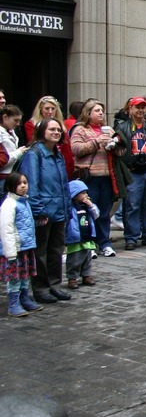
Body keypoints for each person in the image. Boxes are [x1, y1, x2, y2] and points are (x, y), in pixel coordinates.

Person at [20, 118, 72, 303]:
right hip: (44, 211)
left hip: (59, 209)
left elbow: (63, 184)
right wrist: (38, 210)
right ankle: (41, 288)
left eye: (59, 129)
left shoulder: (58, 154)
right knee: (40, 252)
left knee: (56, 250)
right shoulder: (34, 154)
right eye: (52, 129)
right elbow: (31, 184)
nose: (56, 132)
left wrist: (68, 208)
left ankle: (54, 285)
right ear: (42, 131)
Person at [69, 100, 118, 258]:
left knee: (104, 212)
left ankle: (104, 243)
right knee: (88, 211)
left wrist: (115, 145)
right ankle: (89, 243)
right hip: (89, 178)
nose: (101, 113)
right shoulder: (80, 129)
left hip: (107, 176)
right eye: (97, 110)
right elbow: (76, 149)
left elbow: (121, 153)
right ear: (88, 113)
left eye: (102, 110)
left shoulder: (109, 130)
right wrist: (97, 142)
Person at [115, 96, 146, 250]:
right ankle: (131, 237)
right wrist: (126, 163)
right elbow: (117, 149)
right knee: (132, 205)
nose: (141, 110)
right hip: (133, 173)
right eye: (137, 107)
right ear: (130, 109)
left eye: (143, 107)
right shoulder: (122, 127)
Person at [1, 172, 44, 316]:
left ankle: (24, 299)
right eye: (19, 184)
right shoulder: (9, 205)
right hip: (15, 249)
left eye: (25, 182)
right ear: (11, 186)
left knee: (25, 275)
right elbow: (6, 229)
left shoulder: (24, 202)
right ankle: (13, 304)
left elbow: (25, 224)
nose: (23, 186)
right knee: (14, 277)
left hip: (26, 247)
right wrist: (10, 252)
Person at [64, 179, 99, 290]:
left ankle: (86, 275)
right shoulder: (70, 208)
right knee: (74, 259)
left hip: (87, 236)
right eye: (82, 193)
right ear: (74, 195)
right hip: (75, 238)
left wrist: (91, 205)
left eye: (86, 193)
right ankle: (72, 278)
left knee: (87, 258)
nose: (86, 195)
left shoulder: (87, 207)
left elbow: (96, 215)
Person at [0, 105, 28, 181]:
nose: (18, 124)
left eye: (19, 121)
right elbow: (2, 158)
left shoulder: (11, 131)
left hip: (11, 175)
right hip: (2, 176)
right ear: (5, 117)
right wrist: (18, 152)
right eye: (15, 120)